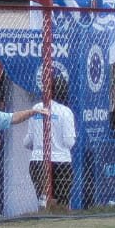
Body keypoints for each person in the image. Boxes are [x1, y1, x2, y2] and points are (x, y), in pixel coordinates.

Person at [25, 79, 76, 210]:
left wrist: (37, 145)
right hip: (61, 160)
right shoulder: (65, 111)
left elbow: (28, 141)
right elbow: (69, 141)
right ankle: (57, 215)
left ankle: (45, 212)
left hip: (38, 159)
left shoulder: (36, 108)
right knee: (62, 202)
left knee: (43, 198)